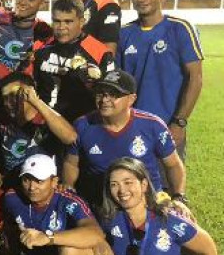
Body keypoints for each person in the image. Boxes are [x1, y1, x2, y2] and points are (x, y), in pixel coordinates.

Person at [62, 69, 185, 212]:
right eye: (100, 93)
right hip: (101, 205)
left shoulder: (153, 126)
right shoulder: (83, 125)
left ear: (131, 99)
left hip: (147, 203)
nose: (104, 100)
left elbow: (173, 165)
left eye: (113, 94)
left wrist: (178, 197)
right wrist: (69, 189)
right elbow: (71, 163)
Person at [118, 0, 203, 166]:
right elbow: (119, 82)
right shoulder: (124, 33)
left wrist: (179, 122)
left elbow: (196, 78)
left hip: (167, 125)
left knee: (169, 181)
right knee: (131, 181)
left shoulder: (180, 29)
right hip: (131, 126)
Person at [0, 72, 76, 191]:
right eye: (5, 98)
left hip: (41, 189)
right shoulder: (2, 123)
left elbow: (71, 137)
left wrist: (36, 101)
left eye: (14, 96)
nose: (7, 103)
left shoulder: (46, 118)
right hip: (12, 189)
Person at [32, 0, 114, 123]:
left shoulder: (100, 52)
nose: (61, 27)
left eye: (68, 21)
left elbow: (110, 96)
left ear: (81, 22)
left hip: (81, 125)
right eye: (57, 21)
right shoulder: (40, 47)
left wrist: (90, 84)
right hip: (43, 125)